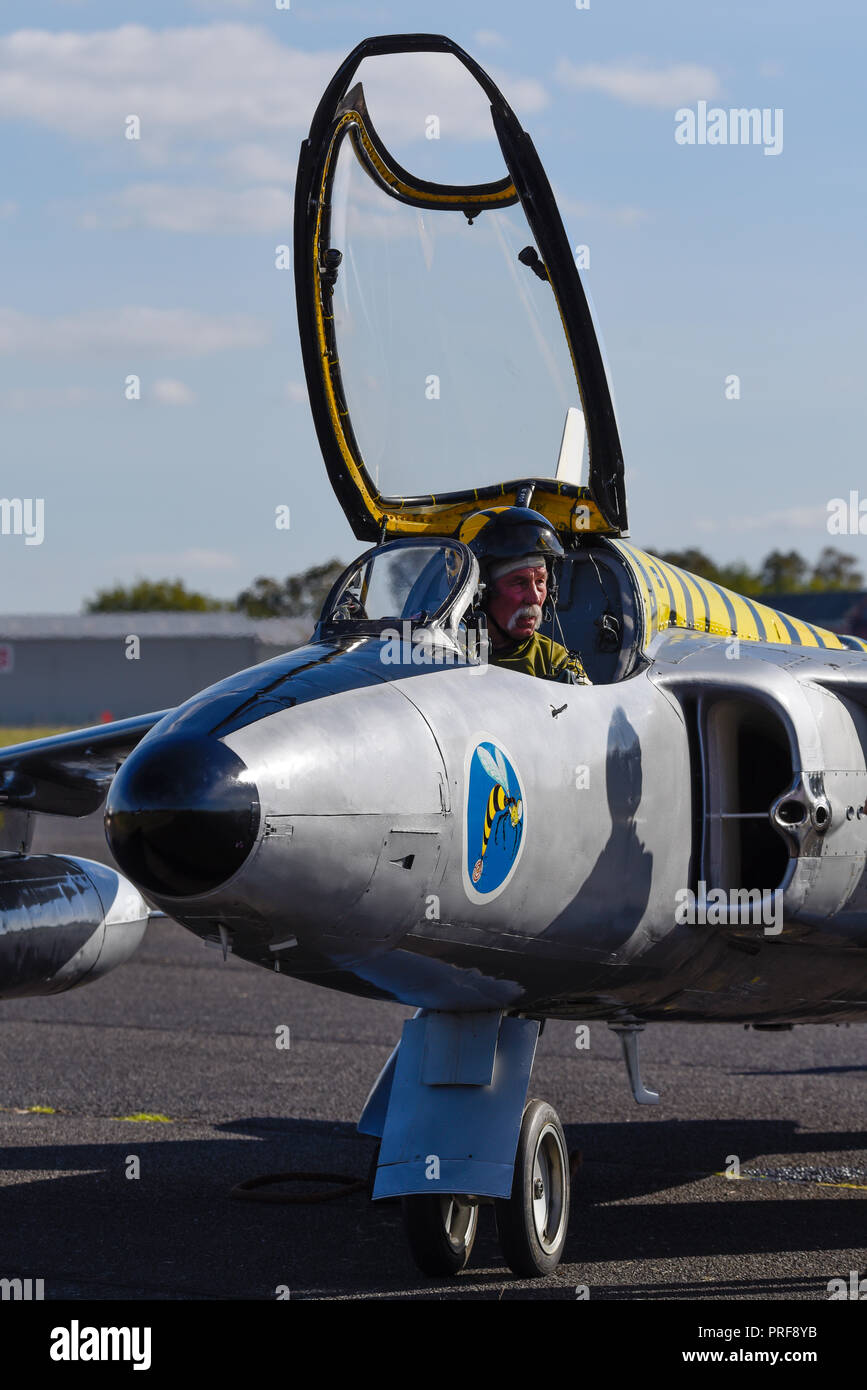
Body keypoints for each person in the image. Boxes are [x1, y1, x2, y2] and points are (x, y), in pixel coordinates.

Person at [459, 506, 590, 684]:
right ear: (480, 592)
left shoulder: (559, 663)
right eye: (519, 583)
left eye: (540, 582)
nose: (535, 598)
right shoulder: (448, 652)